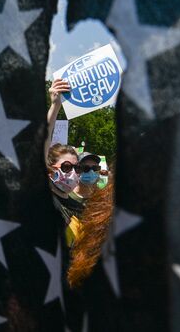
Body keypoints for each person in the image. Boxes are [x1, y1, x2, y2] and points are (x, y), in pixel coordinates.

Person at [45, 79, 115, 288]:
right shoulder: (48, 201)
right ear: (49, 169)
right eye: (66, 167)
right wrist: (55, 105)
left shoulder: (81, 208)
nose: (73, 173)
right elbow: (41, 143)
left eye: (76, 168)